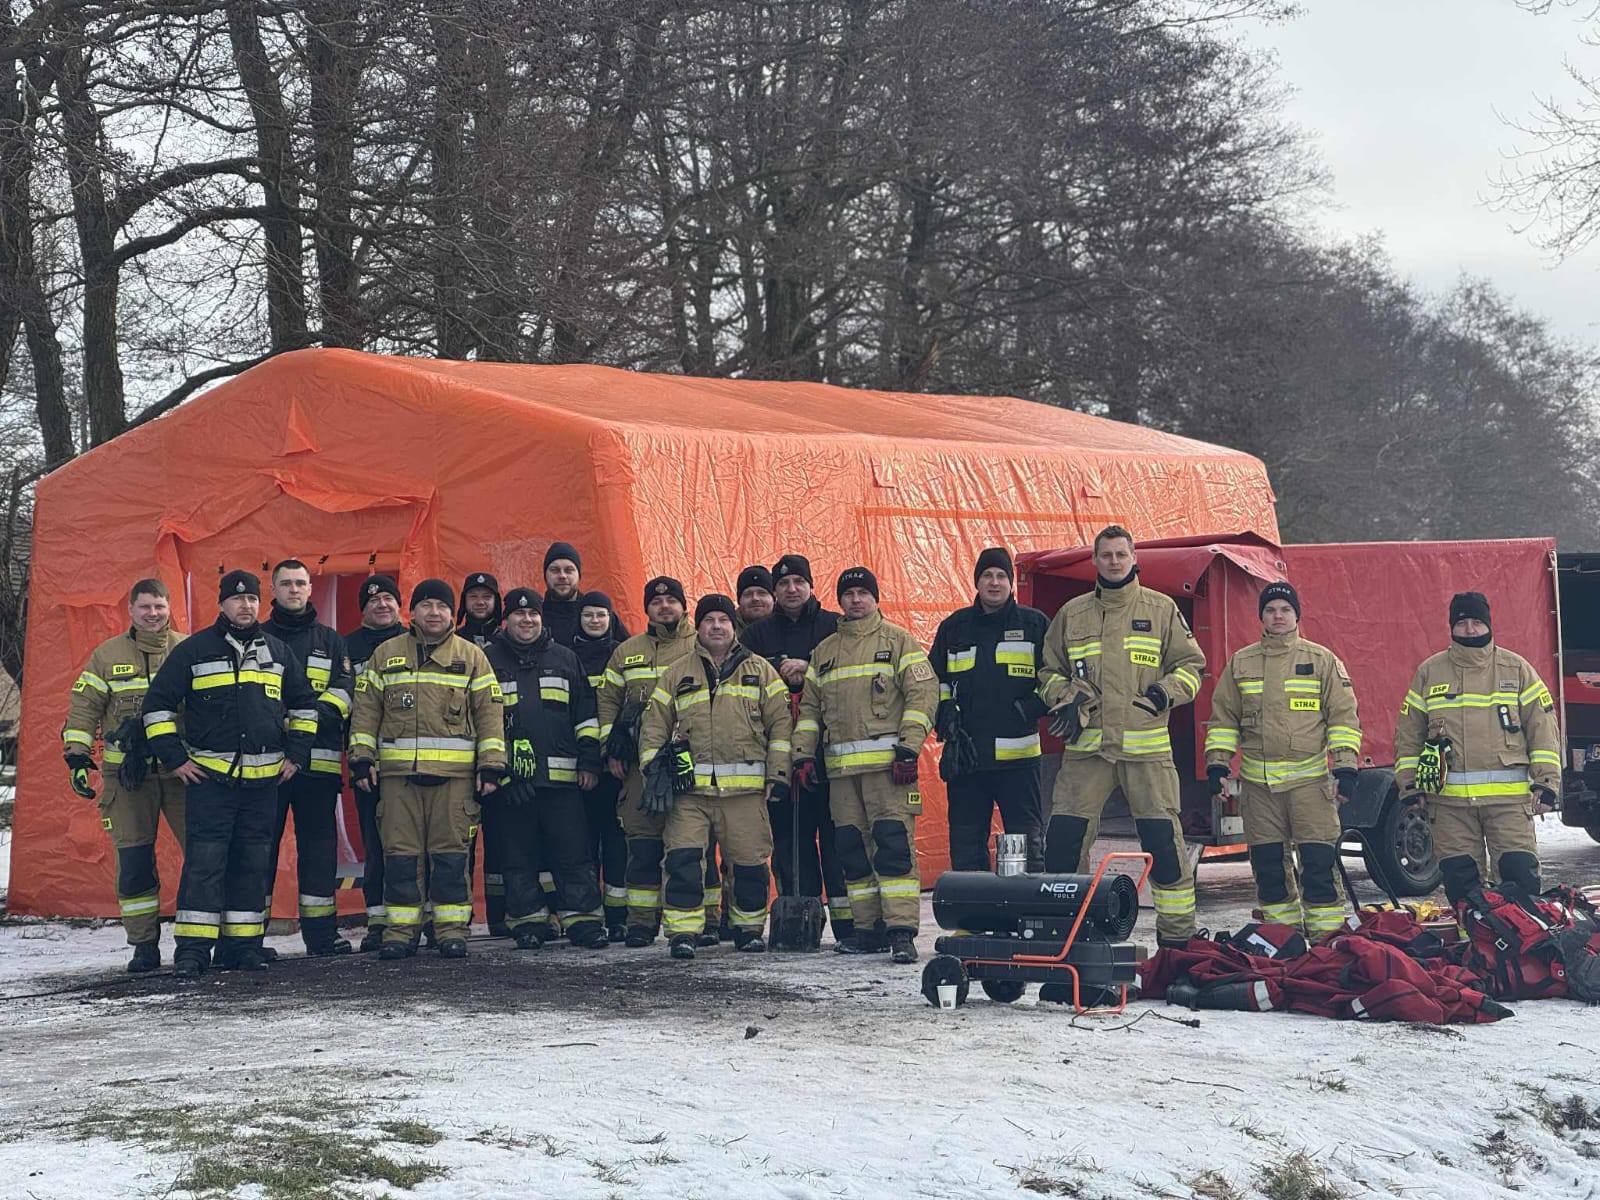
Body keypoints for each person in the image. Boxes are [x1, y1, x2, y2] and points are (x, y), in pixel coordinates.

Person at [141, 570, 318, 976]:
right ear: (221, 604)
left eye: (253, 599)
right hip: (211, 783)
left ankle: (242, 947)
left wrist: (296, 755)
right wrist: (175, 759)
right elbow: (156, 708)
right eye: (237, 600)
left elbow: (306, 706)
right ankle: (193, 951)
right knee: (204, 864)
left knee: (252, 865)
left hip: (263, 784)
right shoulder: (194, 650)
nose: (246, 606)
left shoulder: (276, 651)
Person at [1037, 525, 1205, 948]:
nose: (1113, 561)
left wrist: (1162, 693)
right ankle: (1068, 937)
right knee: (1063, 843)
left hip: (1146, 751)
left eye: (1120, 554)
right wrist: (1067, 696)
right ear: (1095, 561)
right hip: (1087, 752)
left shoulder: (1162, 609)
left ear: (1134, 560)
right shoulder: (1072, 614)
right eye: (1106, 555)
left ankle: (1177, 942)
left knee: (1164, 845)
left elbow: (1191, 667)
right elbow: (1047, 672)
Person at [348, 578, 506, 959]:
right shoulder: (385, 655)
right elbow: (366, 712)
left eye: (442, 607)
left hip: (455, 781)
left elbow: (489, 714)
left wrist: (491, 766)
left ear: (453, 614)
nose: (434, 613)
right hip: (398, 779)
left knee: (451, 856)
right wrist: (361, 759)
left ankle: (451, 930)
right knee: (400, 856)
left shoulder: (472, 657)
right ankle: (401, 931)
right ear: (412, 611)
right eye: (426, 606)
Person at [792, 566, 938, 964]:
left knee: (892, 847)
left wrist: (909, 749)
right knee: (851, 852)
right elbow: (809, 711)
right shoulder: (825, 652)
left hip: (889, 772)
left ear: (875, 597)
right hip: (842, 776)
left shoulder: (899, 642)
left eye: (862, 592)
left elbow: (923, 696)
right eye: (849, 593)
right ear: (839, 600)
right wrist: (803, 754)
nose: (856, 599)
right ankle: (868, 930)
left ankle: (902, 932)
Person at [1204, 581, 1362, 937]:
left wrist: (1346, 768)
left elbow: (1343, 719)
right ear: (1261, 616)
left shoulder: (1321, 661)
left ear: (1297, 616)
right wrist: (1217, 764)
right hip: (1259, 790)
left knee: (1319, 866)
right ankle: (1283, 944)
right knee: (1269, 869)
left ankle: (1327, 945)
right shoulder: (1241, 663)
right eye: (1271, 609)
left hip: (1309, 787)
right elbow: (1224, 719)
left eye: (1285, 610)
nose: (1278, 616)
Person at [640, 594, 790, 959]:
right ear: (699, 627)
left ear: (733, 626)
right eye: (709, 621)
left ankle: (748, 928)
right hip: (688, 794)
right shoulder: (677, 673)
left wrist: (779, 774)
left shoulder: (760, 671)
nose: (717, 627)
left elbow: (782, 726)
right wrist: (652, 770)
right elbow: (653, 726)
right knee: (683, 861)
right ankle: (683, 932)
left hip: (745, 792)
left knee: (750, 864)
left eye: (723, 620)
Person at [1394, 591, 1561, 906]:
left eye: (1476, 622)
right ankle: (1472, 943)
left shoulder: (1517, 670)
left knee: (1520, 875)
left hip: (1508, 804)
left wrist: (1547, 782)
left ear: (1489, 624)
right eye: (1462, 623)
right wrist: (1408, 784)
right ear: (1451, 627)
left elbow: (1543, 730)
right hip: (1449, 807)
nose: (1470, 630)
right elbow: (1408, 734)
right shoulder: (1430, 672)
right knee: (1459, 881)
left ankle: (1522, 945)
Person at [62, 578, 187, 972]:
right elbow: (84, 707)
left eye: (160, 607)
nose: (153, 614)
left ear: (170, 610)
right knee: (134, 862)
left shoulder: (189, 650)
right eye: (145, 607)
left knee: (205, 858)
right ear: (131, 610)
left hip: (184, 774)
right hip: (127, 779)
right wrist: (77, 757)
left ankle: (196, 942)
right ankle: (144, 945)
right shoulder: (106, 655)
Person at [483, 588, 609, 949]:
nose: (527, 620)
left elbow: (586, 717)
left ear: (542, 619)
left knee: (573, 851)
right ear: (505, 620)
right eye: (519, 615)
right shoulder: (487, 660)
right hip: (512, 783)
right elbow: (482, 722)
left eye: (533, 615)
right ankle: (528, 921)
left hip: (563, 781)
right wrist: (503, 772)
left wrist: (589, 762)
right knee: (517, 854)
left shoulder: (566, 659)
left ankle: (583, 920)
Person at [597, 576, 716, 947]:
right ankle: (641, 923)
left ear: (684, 605)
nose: (664, 607)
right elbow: (608, 702)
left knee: (696, 846)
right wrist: (610, 750)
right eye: (656, 601)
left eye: (671, 601)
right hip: (639, 767)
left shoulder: (702, 645)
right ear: (647, 608)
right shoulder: (626, 652)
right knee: (643, 843)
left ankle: (708, 920)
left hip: (689, 762)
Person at [741, 554, 852, 942]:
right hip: (780, 757)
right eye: (784, 583)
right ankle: (799, 926)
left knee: (839, 841)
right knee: (790, 845)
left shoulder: (833, 627)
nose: (791, 590)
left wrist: (810, 668)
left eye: (798, 583)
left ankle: (848, 928)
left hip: (829, 755)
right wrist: (777, 670)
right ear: (776, 591)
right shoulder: (754, 637)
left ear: (810, 587)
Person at [929, 547, 1050, 873]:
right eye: (987, 576)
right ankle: (972, 921)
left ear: (1011, 583)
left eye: (1001, 576)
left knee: (1026, 844)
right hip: (968, 760)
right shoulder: (954, 628)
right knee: (967, 844)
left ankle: (1026, 915)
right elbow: (932, 680)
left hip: (1019, 762)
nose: (994, 583)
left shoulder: (1034, 625)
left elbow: (1057, 677)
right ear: (977, 582)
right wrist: (944, 711)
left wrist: (1030, 708)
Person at [261, 559, 355, 956]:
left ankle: (321, 935)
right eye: (286, 584)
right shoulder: (257, 638)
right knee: (259, 849)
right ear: (274, 589)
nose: (294, 590)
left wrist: (305, 719)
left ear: (310, 589)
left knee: (319, 849)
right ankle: (249, 937)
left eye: (300, 583)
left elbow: (345, 692)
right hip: (266, 765)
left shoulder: (332, 641)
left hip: (319, 765)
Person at [342, 574, 406, 951]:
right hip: (369, 766)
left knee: (416, 846)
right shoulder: (346, 648)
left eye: (388, 598)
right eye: (373, 600)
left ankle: (419, 917)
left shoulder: (416, 642)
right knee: (376, 845)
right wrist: (359, 761)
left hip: (411, 763)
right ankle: (378, 921)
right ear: (363, 608)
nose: (382, 604)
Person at [571, 589, 630, 938]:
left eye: (601, 615)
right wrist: (589, 762)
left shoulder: (621, 654)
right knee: (584, 842)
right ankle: (589, 915)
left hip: (619, 766)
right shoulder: (567, 657)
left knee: (618, 840)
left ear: (611, 619)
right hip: (583, 766)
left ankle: (618, 916)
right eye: (588, 614)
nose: (595, 620)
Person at [456, 570, 509, 933]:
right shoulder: (452, 642)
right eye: (473, 596)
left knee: (502, 842)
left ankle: (500, 917)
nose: (480, 602)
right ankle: (457, 916)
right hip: (458, 762)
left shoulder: (510, 642)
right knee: (459, 842)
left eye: (486, 596)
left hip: (498, 759)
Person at [540, 542, 630, 647]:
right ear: (545, 576)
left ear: (579, 575)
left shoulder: (599, 613)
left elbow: (629, 652)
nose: (562, 576)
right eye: (555, 570)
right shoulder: (534, 617)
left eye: (569, 570)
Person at [734, 565, 775, 632]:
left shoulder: (789, 626)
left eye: (762, 593)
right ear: (739, 601)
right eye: (748, 594)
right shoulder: (726, 632)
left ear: (773, 598)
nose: (755, 598)